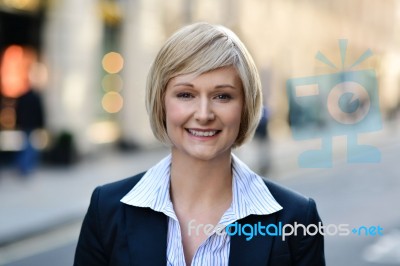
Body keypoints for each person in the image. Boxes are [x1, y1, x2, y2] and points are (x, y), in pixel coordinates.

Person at [74, 22, 325, 266]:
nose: (204, 114)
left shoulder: (297, 218)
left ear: (245, 106)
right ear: (161, 103)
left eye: (222, 96)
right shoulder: (106, 209)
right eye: (186, 94)